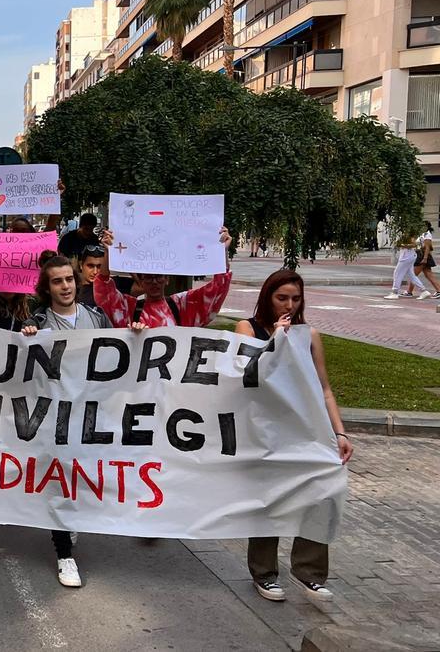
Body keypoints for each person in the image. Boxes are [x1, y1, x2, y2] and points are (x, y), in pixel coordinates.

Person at [235, 269, 354, 604]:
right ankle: (264, 573)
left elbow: (324, 389)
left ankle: (311, 573)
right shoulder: (248, 328)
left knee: (322, 491)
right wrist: (275, 340)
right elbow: (245, 377)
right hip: (265, 433)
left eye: (295, 298)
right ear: (267, 296)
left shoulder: (310, 335)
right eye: (281, 297)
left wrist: (339, 431)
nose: (289, 304)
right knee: (269, 501)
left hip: (305, 430)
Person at [20, 255, 115, 589]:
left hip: (90, 414)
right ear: (47, 288)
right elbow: (25, 374)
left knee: (80, 476)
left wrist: (136, 335)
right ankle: (64, 555)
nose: (65, 286)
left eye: (69, 280)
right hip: (55, 417)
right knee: (58, 481)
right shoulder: (39, 322)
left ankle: (70, 516)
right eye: (57, 281)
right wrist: (27, 339)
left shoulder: (97, 318)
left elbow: (118, 358)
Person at [95, 227, 233, 328]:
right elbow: (103, 289)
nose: (154, 282)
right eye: (148, 278)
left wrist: (222, 252)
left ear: (167, 279)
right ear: (140, 281)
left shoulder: (181, 306)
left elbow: (217, 289)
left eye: (159, 276)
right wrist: (108, 252)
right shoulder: (129, 308)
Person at [385, 231, 426, 299]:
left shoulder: (410, 234)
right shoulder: (407, 233)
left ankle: (395, 292)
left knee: (397, 273)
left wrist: (402, 245)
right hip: (408, 256)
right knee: (411, 275)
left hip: (406, 257)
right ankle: (423, 290)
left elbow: (414, 244)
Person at [404, 222, 440, 299]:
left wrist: (425, 258)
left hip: (422, 256)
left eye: (424, 226)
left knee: (413, 274)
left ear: (427, 226)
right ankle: (439, 290)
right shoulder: (422, 234)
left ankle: (409, 292)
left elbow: (427, 247)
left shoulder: (427, 235)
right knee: (429, 275)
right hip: (420, 255)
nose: (421, 227)